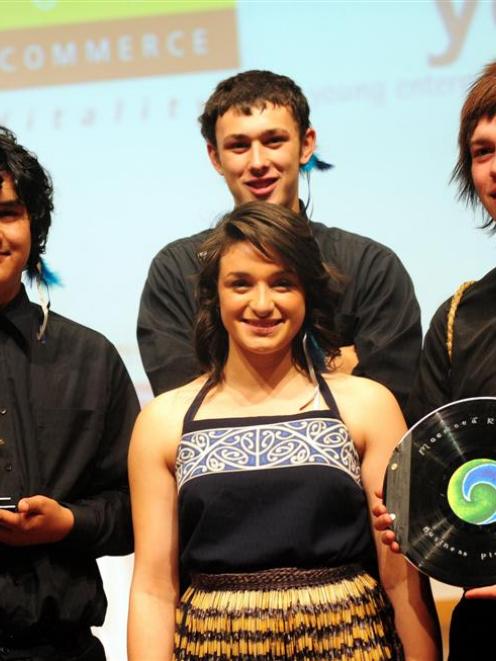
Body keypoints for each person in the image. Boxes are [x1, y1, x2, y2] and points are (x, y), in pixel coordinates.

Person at [128, 201, 440, 660]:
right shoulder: (163, 422)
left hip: (352, 645)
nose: (262, 304)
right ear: (215, 297)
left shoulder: (368, 405)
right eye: (241, 284)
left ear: (307, 296)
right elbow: (154, 589)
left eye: (282, 284)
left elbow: (400, 572)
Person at [137, 69, 421, 411]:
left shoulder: (372, 267)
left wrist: (232, 371)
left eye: (274, 141)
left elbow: (387, 399)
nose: (257, 162)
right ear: (215, 157)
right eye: (239, 146)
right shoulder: (177, 269)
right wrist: (336, 363)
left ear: (306, 145)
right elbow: (181, 404)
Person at [0, 126, 139, 660]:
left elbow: (138, 510)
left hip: (61, 648)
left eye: (7, 213)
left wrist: (69, 523)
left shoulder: (90, 357)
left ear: (35, 225)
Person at [373, 61, 496, 661]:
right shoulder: (457, 320)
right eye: (482, 151)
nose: (495, 167)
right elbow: (433, 480)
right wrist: (405, 509)